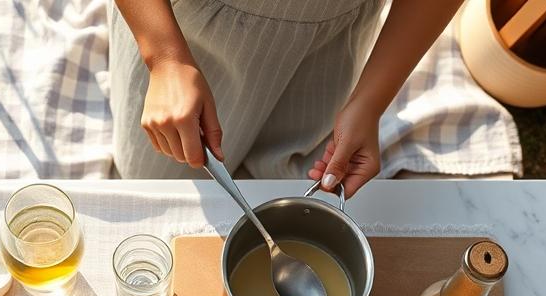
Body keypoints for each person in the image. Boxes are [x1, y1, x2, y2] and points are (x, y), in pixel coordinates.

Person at [110, 0, 464, 196]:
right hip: (186, 40)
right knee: (162, 178)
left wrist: (369, 103)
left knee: (292, 168)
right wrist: (164, 58)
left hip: (326, 48)